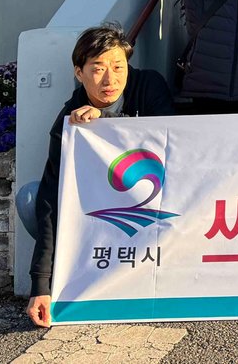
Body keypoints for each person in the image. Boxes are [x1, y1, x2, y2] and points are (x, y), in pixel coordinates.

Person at [26, 25, 173, 328]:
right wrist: (40, 285)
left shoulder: (149, 86)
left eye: (118, 67)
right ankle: (76, 279)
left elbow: (169, 142)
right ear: (79, 73)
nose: (110, 79)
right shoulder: (69, 121)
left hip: (155, 202)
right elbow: (51, 198)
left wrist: (105, 120)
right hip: (102, 214)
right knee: (29, 198)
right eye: (98, 69)